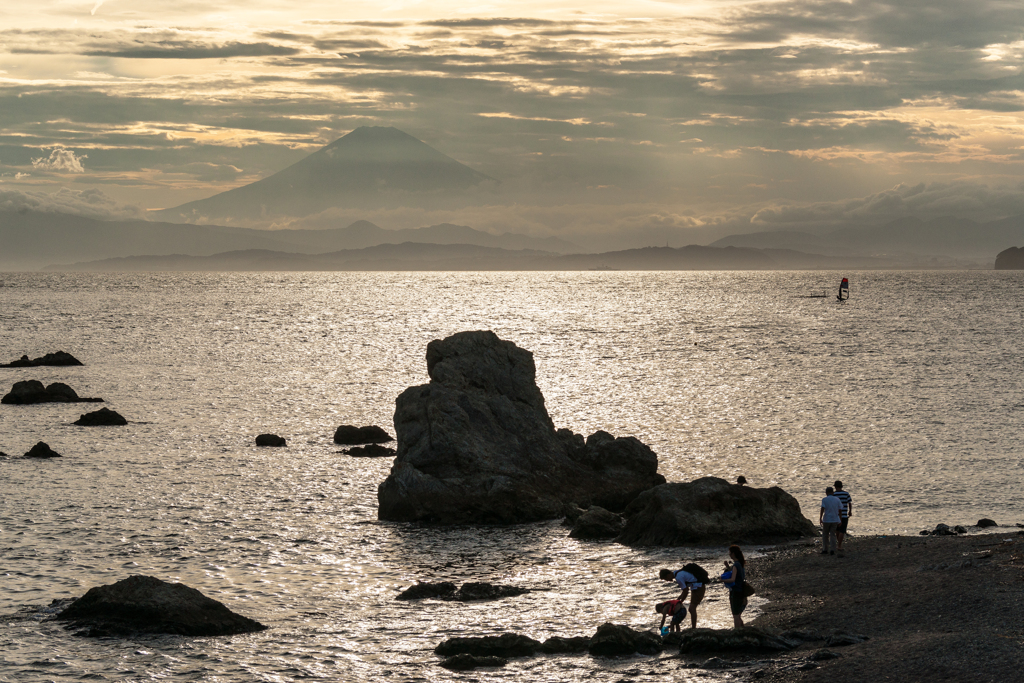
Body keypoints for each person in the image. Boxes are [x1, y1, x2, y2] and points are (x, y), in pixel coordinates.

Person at [721, 545, 747, 628]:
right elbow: (736, 574)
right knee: (738, 615)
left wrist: (721, 580)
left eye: (730, 553)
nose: (729, 554)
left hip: (736, 593)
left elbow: (732, 579)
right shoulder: (740, 564)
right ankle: (743, 630)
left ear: (733, 554)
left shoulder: (736, 565)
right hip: (742, 592)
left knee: (735, 615)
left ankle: (737, 632)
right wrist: (728, 567)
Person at [820, 486, 843, 555]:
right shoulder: (837, 499)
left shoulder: (824, 499)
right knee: (833, 534)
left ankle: (825, 549)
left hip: (827, 519)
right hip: (834, 519)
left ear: (826, 493)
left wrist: (820, 518)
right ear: (832, 492)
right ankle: (832, 549)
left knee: (825, 535)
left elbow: (822, 509)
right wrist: (840, 520)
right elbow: (840, 510)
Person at [833, 480, 852, 557]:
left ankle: (838, 543)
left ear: (835, 487)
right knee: (842, 530)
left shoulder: (834, 494)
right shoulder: (846, 494)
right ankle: (839, 545)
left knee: (837, 529)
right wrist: (850, 511)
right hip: (844, 515)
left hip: (836, 515)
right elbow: (849, 503)